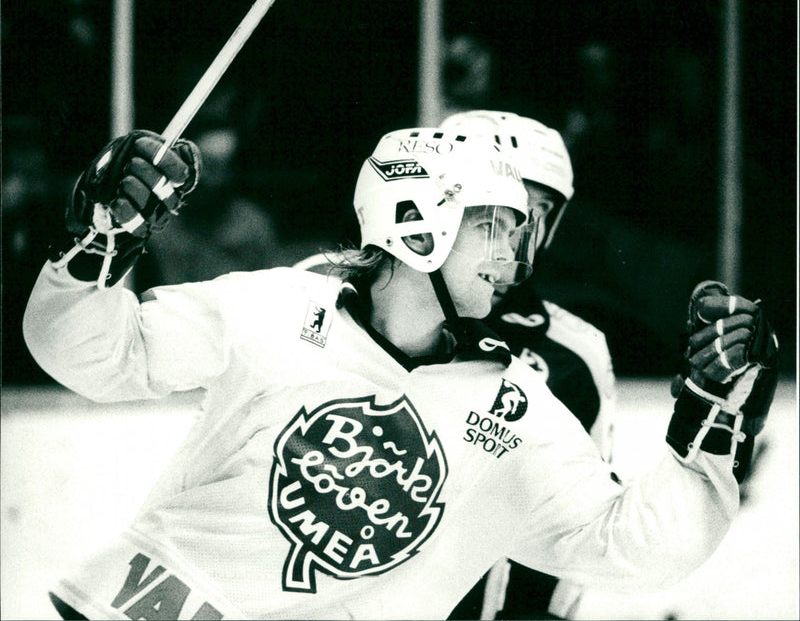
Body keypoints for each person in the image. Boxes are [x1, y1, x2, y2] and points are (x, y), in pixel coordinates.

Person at [24, 127, 778, 620]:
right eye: (496, 226)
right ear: (421, 221)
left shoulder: (516, 409)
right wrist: (101, 242)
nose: (515, 257)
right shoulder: (280, 306)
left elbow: (635, 546)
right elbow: (88, 351)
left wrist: (716, 422)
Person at [439, 111, 615, 620]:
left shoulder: (574, 353)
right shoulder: (343, 307)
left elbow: (584, 520)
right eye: (493, 215)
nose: (511, 241)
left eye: (532, 216)